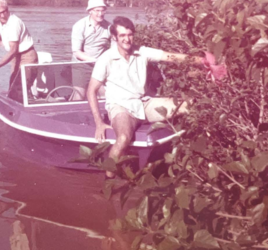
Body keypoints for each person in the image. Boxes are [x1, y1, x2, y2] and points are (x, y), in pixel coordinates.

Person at [86, 16, 227, 178]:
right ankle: (107, 180)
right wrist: (99, 122)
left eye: (130, 34)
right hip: (120, 107)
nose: (127, 39)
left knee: (191, 105)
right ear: (114, 37)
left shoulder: (141, 51)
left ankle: (203, 158)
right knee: (124, 138)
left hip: (144, 103)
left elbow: (170, 56)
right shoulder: (106, 59)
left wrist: (203, 62)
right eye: (122, 35)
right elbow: (91, 91)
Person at [0, 0, 39, 102]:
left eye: (4, 12)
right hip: (16, 56)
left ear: (7, 9)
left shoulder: (14, 23)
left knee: (20, 87)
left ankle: (25, 108)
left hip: (27, 56)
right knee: (13, 87)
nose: (2, 15)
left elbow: (12, 50)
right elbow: (4, 31)